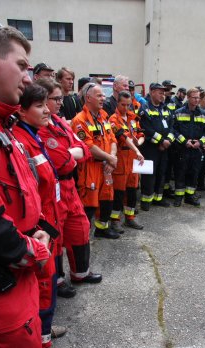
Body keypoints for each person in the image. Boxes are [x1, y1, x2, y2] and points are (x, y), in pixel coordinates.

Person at [0, 26, 52, 348]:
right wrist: (27, 246)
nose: (28, 78)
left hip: (19, 274)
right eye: (22, 65)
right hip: (6, 277)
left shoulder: (3, 124)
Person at [13, 83, 64, 348]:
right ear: (21, 110)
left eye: (49, 103)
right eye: (40, 105)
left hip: (46, 222)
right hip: (35, 229)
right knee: (40, 293)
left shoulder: (33, 136)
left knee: (49, 287)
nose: (47, 110)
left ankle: (46, 334)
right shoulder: (19, 141)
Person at [36, 78, 102, 291]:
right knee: (56, 236)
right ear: (43, 100)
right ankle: (58, 280)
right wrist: (73, 154)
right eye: (56, 99)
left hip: (69, 188)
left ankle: (80, 273)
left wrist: (71, 154)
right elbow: (61, 162)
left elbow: (83, 149)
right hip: (51, 191)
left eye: (61, 98)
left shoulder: (60, 122)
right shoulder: (40, 128)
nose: (60, 103)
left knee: (80, 228)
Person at [71, 82, 120, 238]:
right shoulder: (79, 120)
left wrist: (111, 159)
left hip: (106, 167)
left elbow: (113, 139)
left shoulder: (104, 117)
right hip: (90, 168)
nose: (103, 98)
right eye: (99, 95)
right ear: (88, 98)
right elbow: (88, 147)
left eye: (103, 95)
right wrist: (110, 159)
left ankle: (102, 229)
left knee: (107, 200)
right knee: (89, 204)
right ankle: (83, 235)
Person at [109, 90, 145, 232]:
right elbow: (123, 137)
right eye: (123, 105)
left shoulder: (133, 117)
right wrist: (136, 148)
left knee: (132, 190)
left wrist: (139, 142)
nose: (125, 108)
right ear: (117, 103)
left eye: (128, 105)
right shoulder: (113, 119)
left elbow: (141, 134)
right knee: (118, 192)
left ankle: (129, 218)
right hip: (121, 158)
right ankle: (115, 220)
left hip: (134, 159)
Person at [139, 82, 175, 211]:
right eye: (160, 92)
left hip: (164, 148)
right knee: (149, 175)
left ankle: (158, 198)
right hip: (150, 148)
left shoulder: (165, 108)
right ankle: (146, 200)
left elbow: (172, 126)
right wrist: (161, 141)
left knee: (162, 172)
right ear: (152, 92)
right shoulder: (145, 108)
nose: (162, 95)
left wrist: (168, 141)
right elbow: (146, 129)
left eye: (163, 93)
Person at [173, 88, 205, 207]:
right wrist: (184, 141)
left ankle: (189, 196)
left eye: (198, 97)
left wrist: (200, 142)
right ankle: (178, 197)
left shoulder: (203, 113)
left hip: (196, 150)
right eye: (194, 97)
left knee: (194, 173)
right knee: (180, 173)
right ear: (188, 97)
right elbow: (174, 130)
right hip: (183, 149)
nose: (197, 100)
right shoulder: (178, 112)